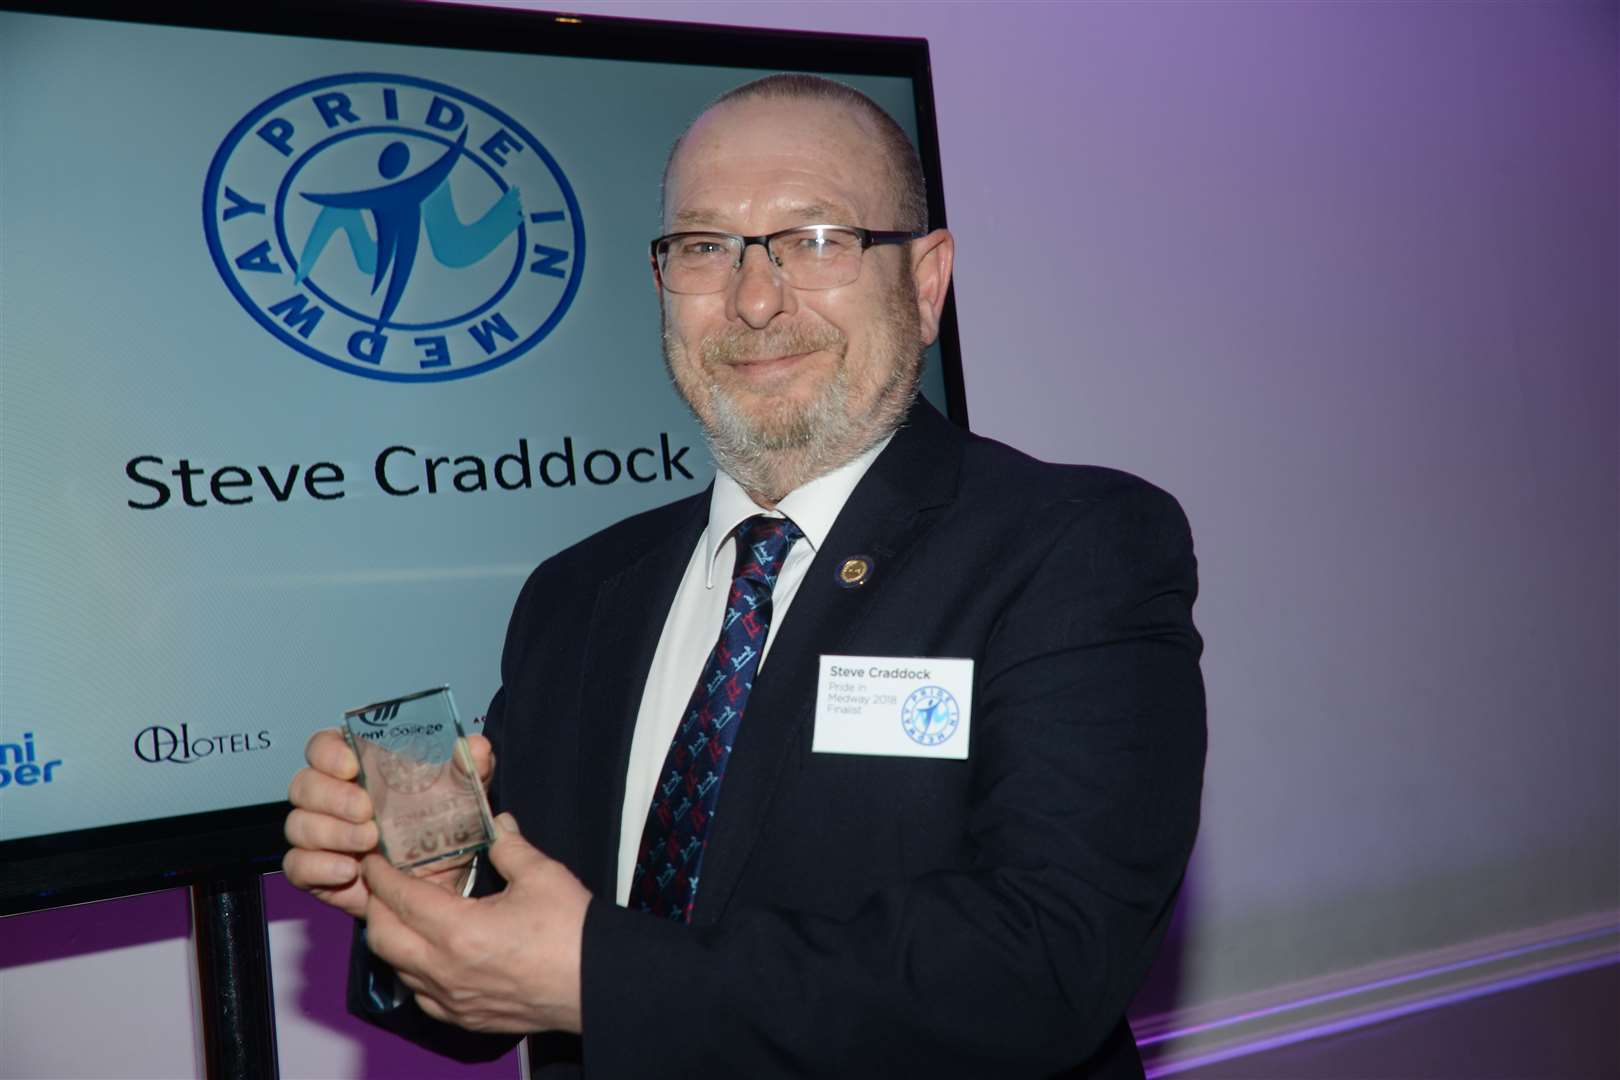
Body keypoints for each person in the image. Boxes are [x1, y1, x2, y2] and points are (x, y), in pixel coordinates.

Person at [284, 73, 1205, 1078]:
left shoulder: (1072, 546)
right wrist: (430, 893)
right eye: (705, 247)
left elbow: (1046, 966)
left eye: (816, 240)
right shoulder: (579, 592)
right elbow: (503, 978)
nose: (755, 300)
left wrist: (598, 976)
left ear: (927, 281)